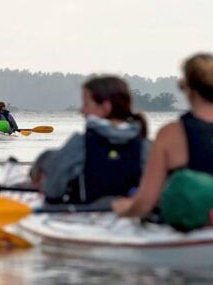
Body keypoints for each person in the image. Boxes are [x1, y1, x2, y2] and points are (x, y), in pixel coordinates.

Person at [113, 53, 213, 218]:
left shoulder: (169, 135)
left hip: (190, 225)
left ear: (184, 86)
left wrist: (122, 210)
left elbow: (145, 203)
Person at [41, 75, 150, 204]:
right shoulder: (147, 146)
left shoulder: (78, 144)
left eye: (86, 104)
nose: (82, 111)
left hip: (85, 211)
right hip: (130, 213)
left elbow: (52, 191)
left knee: (47, 158)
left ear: (105, 108)